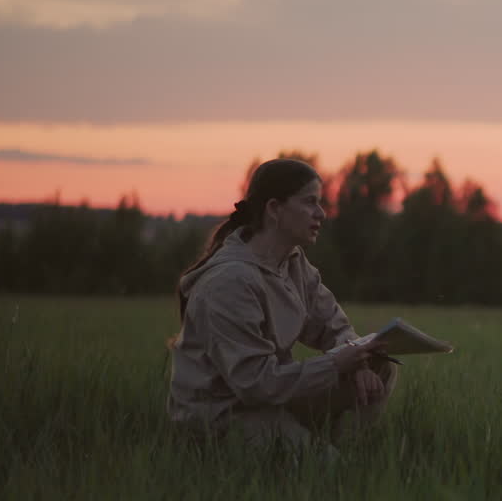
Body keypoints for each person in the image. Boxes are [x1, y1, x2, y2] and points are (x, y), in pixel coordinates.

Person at [167, 158, 397, 451]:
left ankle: (342, 450)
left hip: (269, 398)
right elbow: (255, 384)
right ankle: (323, 456)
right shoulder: (230, 282)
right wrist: (336, 363)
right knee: (325, 471)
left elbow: (332, 324)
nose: (321, 213)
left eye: (320, 203)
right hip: (223, 415)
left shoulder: (292, 262)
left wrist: (359, 361)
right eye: (310, 202)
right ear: (274, 209)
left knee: (380, 368)